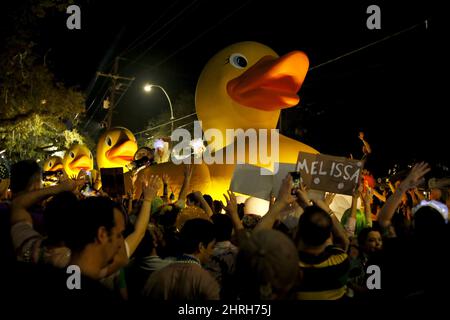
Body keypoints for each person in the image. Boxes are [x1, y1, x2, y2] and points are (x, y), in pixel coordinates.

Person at [142, 218, 220, 300]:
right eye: (212, 247)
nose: (212, 252)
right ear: (201, 246)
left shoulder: (156, 276)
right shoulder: (206, 282)